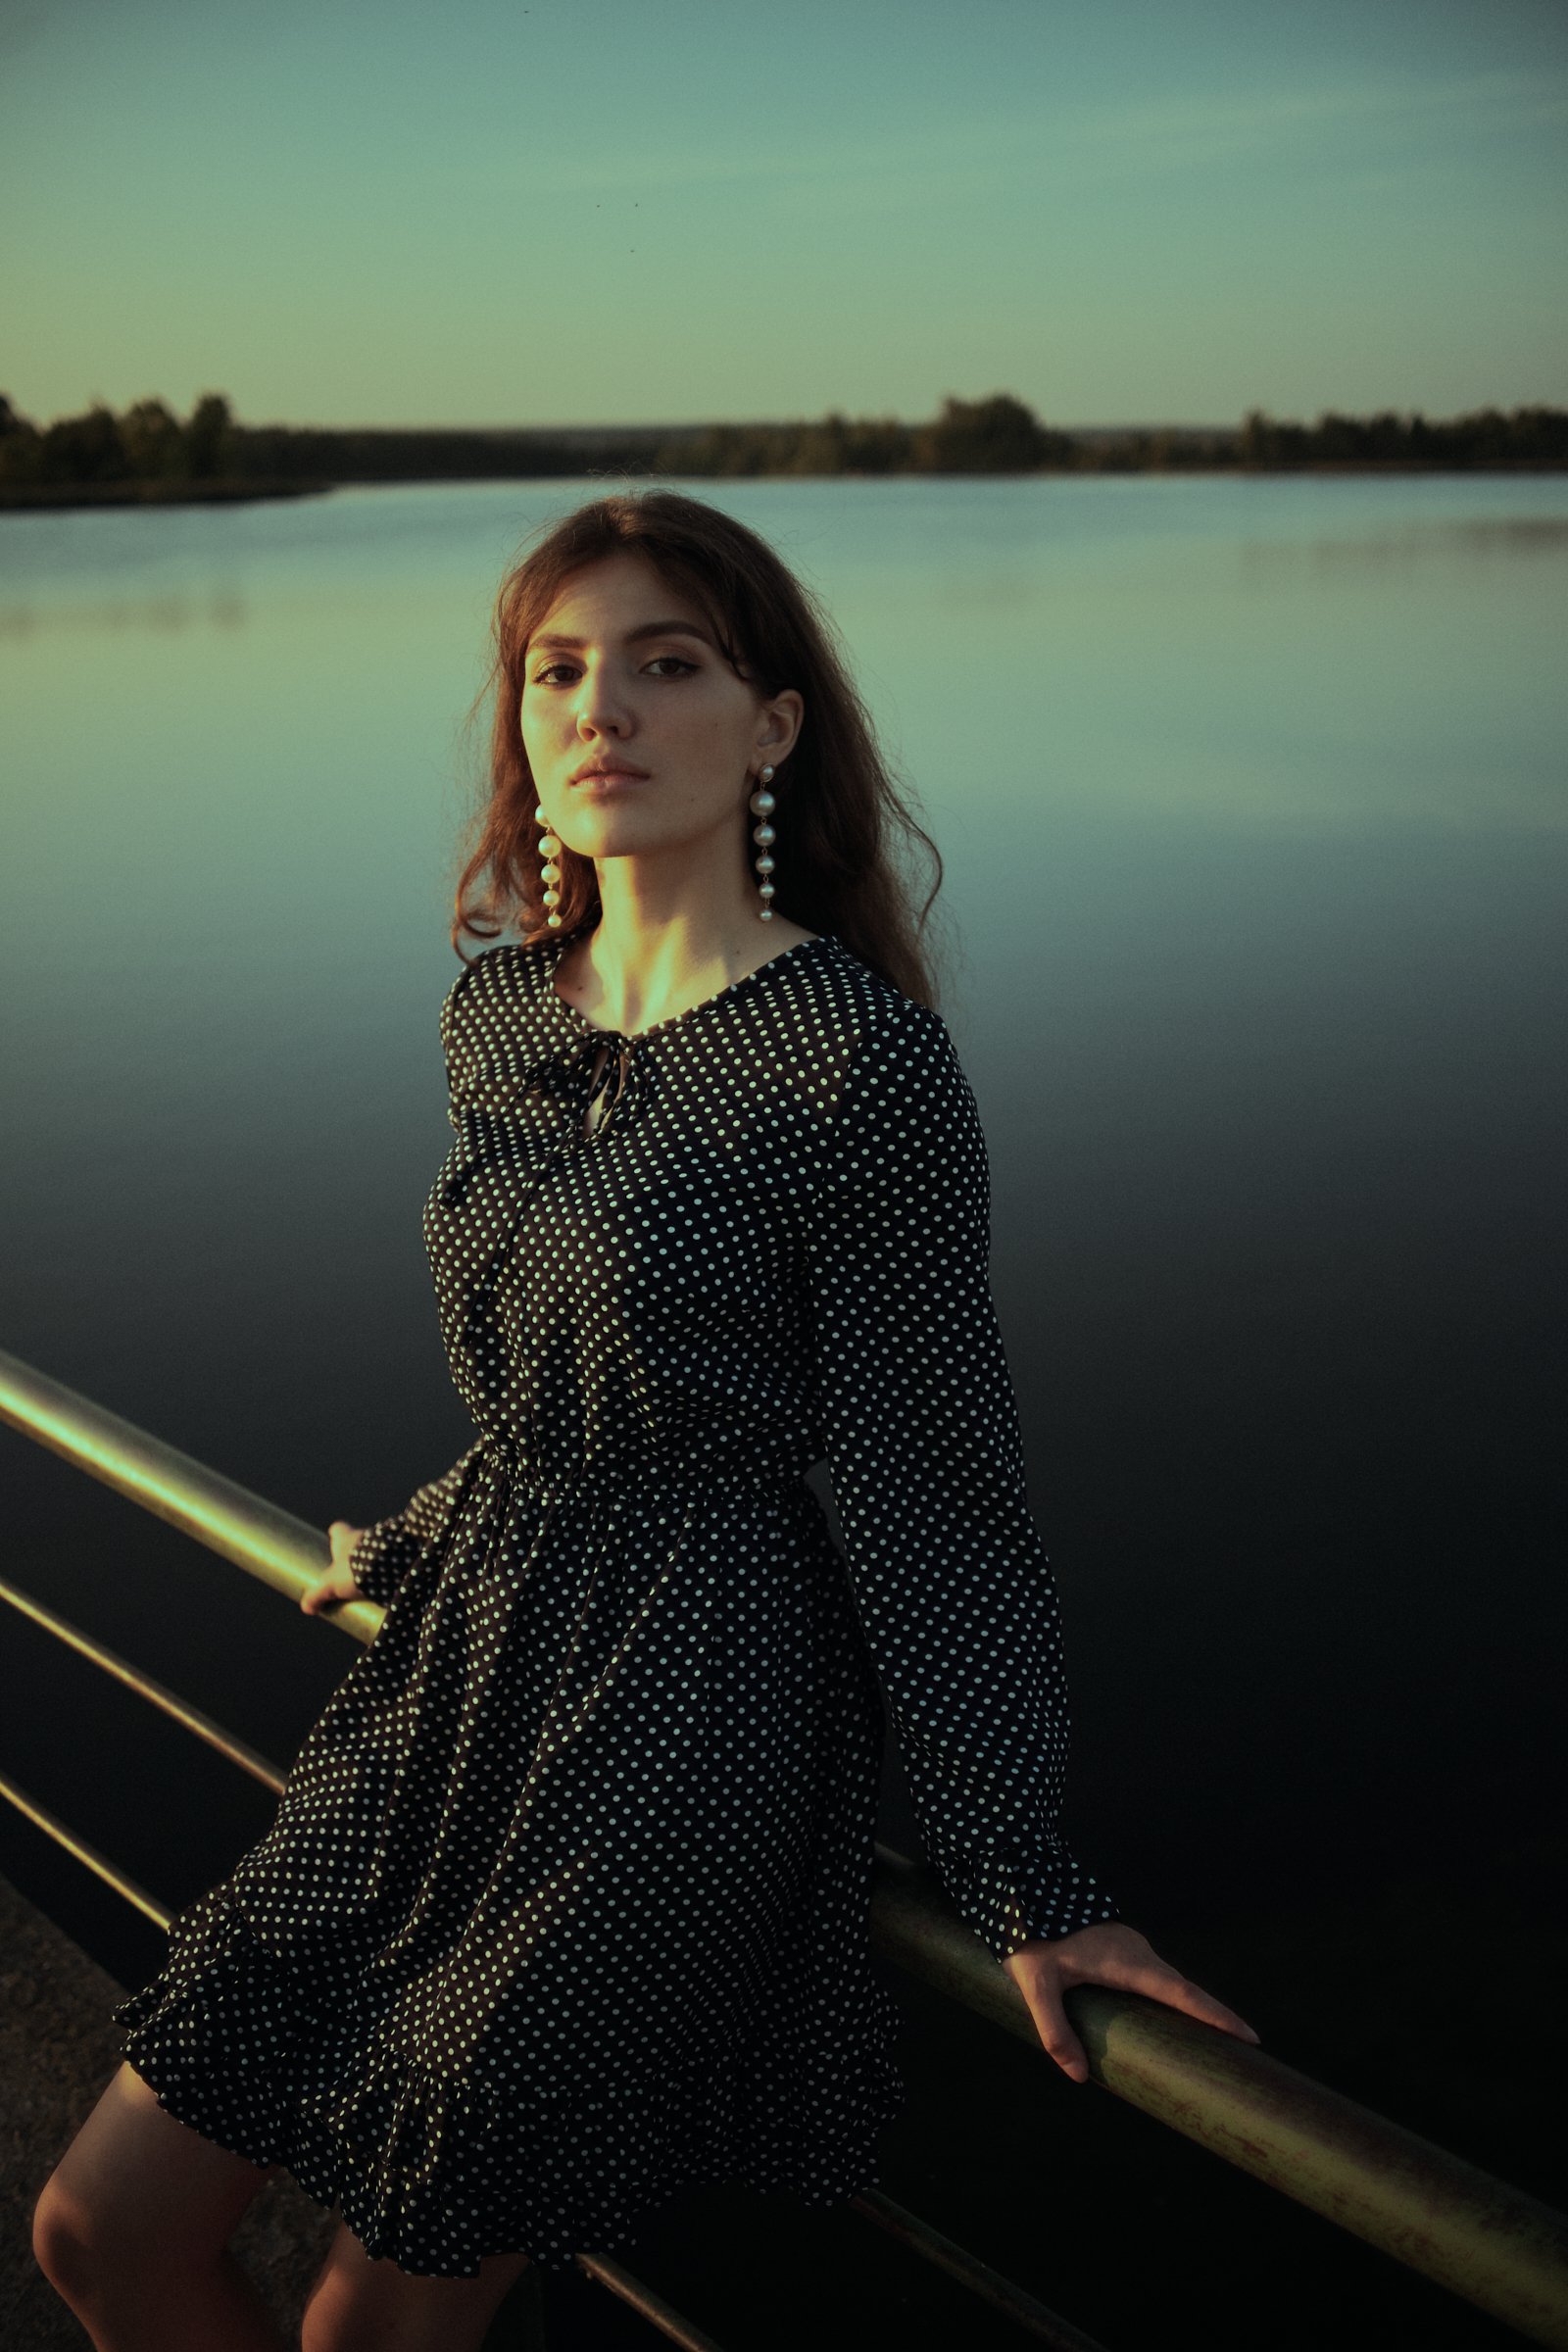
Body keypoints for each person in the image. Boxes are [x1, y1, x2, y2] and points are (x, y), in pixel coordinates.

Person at [33, 488, 1258, 2351]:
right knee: (98, 2228)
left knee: (375, 2325)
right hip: (460, 1677)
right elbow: (569, 1365)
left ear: (772, 727)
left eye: (666, 665)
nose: (600, 708)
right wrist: (428, 1529)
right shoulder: (501, 1016)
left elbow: (928, 1478)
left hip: (688, 1713)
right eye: (558, 670)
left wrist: (1022, 1873)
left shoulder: (857, 1061)